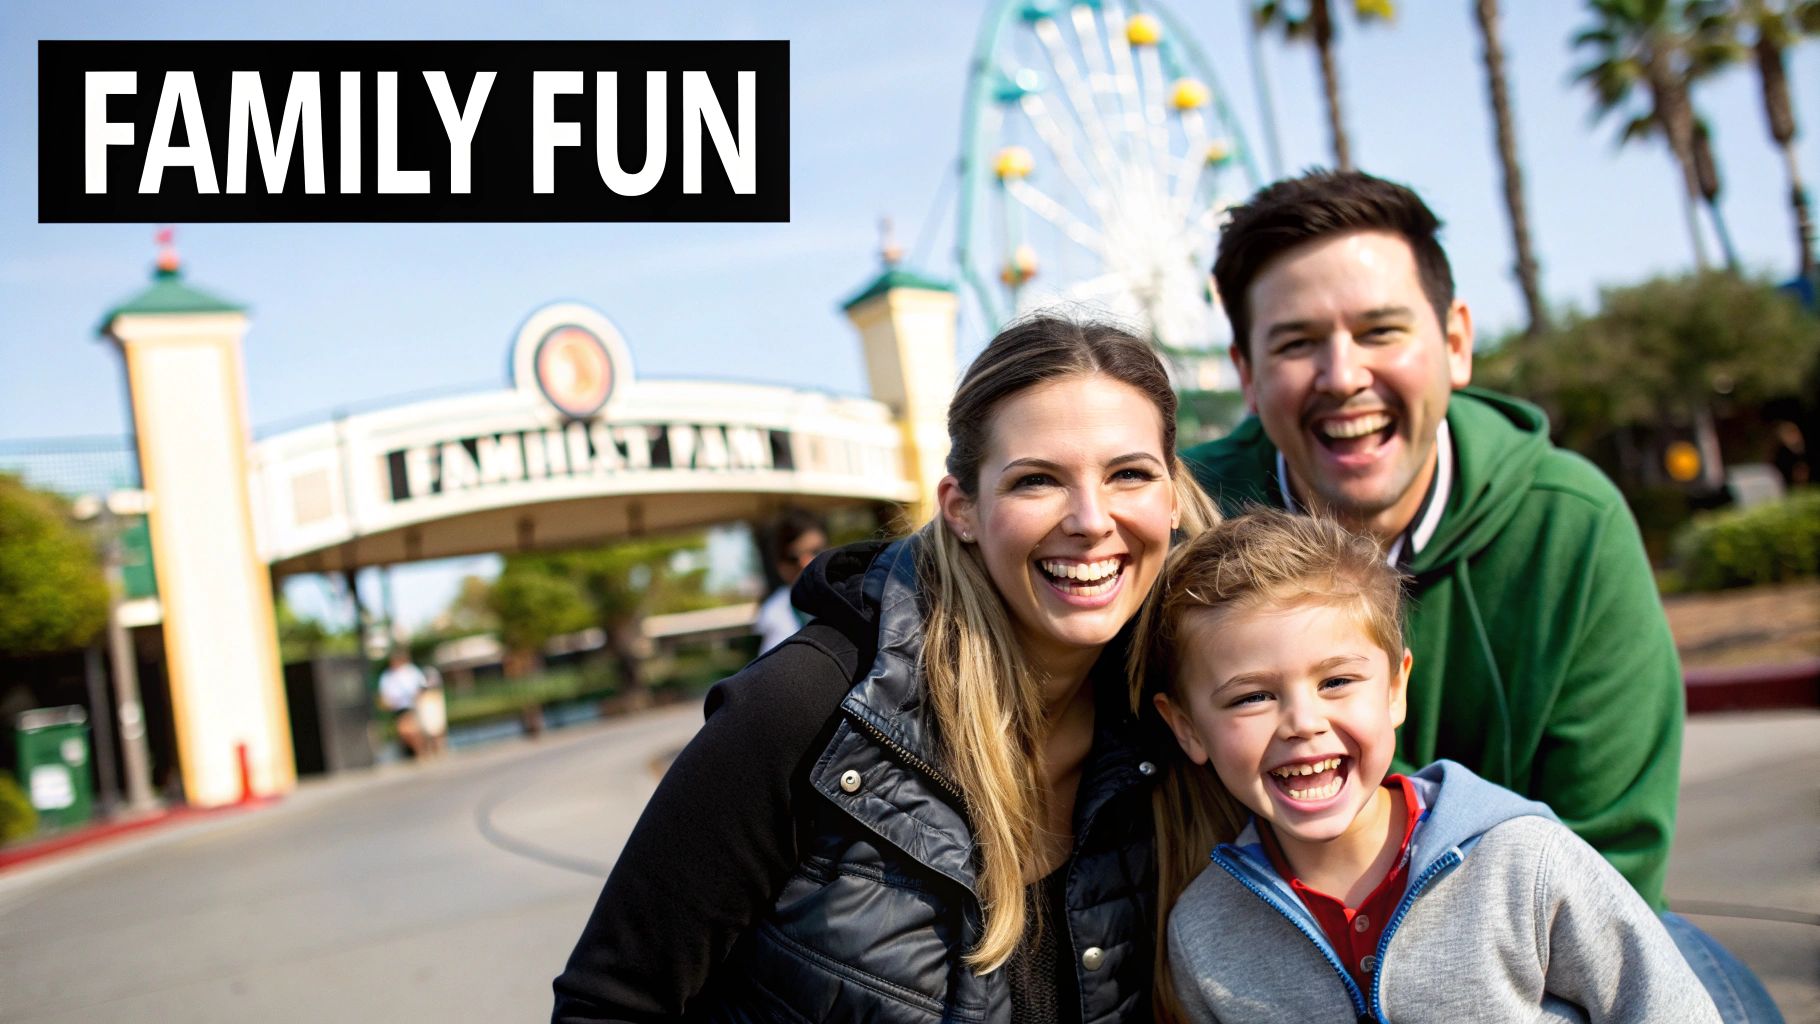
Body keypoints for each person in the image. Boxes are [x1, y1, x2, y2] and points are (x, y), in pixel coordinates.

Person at [1182, 169, 1778, 1022]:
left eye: (1380, 330)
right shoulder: (1183, 533)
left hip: (1524, 960)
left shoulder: (1570, 526)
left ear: (1456, 340)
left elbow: (1611, 868)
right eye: (1296, 342)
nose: (1343, 375)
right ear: (1245, 370)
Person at [552, 315, 1216, 1022]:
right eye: (1037, 481)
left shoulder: (1189, 716)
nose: (1090, 519)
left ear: (1171, 495)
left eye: (1130, 474)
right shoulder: (806, 708)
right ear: (961, 509)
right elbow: (610, 1003)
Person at [1140, 509, 1719, 1023]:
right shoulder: (1202, 935)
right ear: (1187, 727)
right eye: (1251, 697)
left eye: (1337, 681)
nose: (1302, 722)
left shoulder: (1522, 862)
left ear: (1395, 690)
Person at [753, 507, 827, 654]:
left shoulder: (856, 593)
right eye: (794, 558)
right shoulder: (776, 614)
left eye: (815, 551)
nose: (806, 563)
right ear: (780, 566)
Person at [376, 648, 428, 760]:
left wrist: (417, 697)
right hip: (397, 707)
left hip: (411, 705)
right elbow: (383, 694)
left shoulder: (410, 671)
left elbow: (421, 686)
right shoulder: (387, 676)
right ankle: (419, 751)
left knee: (407, 729)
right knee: (407, 732)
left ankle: (420, 752)